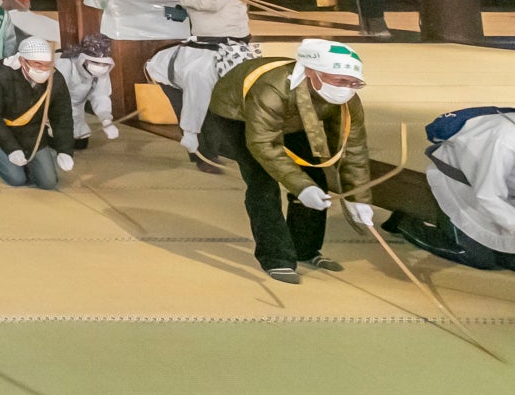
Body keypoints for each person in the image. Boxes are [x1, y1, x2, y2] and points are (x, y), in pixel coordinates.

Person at [205, 38, 372, 283]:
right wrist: (301, 188)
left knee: (316, 178)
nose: (347, 88)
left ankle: (305, 249)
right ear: (312, 73)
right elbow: (263, 144)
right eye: (340, 81)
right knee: (263, 184)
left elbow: (351, 147)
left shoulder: (347, 99)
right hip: (237, 114)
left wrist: (357, 197)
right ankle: (276, 258)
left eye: (354, 83)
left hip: (295, 118)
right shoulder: (271, 90)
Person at [388, 107, 515, 271]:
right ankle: (404, 223)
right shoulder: (503, 139)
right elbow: (488, 194)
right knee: (477, 257)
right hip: (461, 186)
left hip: (503, 194)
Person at [0, 37, 75, 190]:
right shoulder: (0, 73)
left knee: (48, 182)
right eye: (37, 64)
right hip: (0, 128)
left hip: (32, 132)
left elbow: (62, 116)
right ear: (22, 60)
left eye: (48, 65)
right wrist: (11, 148)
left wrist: (65, 150)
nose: (43, 69)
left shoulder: (56, 79)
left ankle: (12, 156)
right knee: (17, 179)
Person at [145, 39, 227, 175]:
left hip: (187, 66)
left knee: (213, 114)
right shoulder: (201, 74)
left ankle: (211, 154)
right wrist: (190, 134)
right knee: (195, 113)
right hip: (165, 72)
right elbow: (193, 107)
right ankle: (202, 159)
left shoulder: (235, 61)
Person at [55, 35, 119, 151]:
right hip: (58, 109)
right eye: (96, 62)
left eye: (104, 64)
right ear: (84, 58)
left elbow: (101, 96)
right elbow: (55, 94)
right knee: (62, 142)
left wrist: (106, 120)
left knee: (81, 143)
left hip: (78, 111)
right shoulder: (66, 64)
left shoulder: (101, 73)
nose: (101, 67)